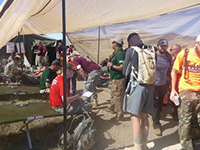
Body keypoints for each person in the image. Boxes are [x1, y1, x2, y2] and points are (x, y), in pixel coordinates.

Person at [122, 33, 155, 150]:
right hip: (150, 86)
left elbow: (124, 73)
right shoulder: (150, 49)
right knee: (145, 116)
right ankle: (145, 144)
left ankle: (137, 147)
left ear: (131, 41)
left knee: (135, 117)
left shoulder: (131, 51)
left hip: (137, 86)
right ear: (140, 40)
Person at [170, 35, 200, 150]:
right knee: (185, 122)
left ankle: (196, 142)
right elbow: (174, 71)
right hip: (186, 91)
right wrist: (173, 89)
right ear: (196, 43)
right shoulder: (184, 54)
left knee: (197, 121)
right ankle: (186, 147)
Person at [152, 39, 172, 136]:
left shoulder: (168, 57)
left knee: (160, 104)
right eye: (161, 46)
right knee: (155, 105)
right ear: (158, 46)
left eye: (165, 46)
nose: (163, 48)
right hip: (154, 85)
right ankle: (156, 125)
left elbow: (171, 69)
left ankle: (154, 115)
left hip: (163, 84)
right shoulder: (153, 57)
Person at [106, 36, 125, 121]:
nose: (112, 44)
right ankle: (111, 108)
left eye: (113, 43)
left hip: (118, 79)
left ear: (116, 44)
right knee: (114, 94)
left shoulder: (120, 54)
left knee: (118, 97)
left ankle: (120, 114)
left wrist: (112, 66)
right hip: (115, 78)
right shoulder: (117, 53)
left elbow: (121, 67)